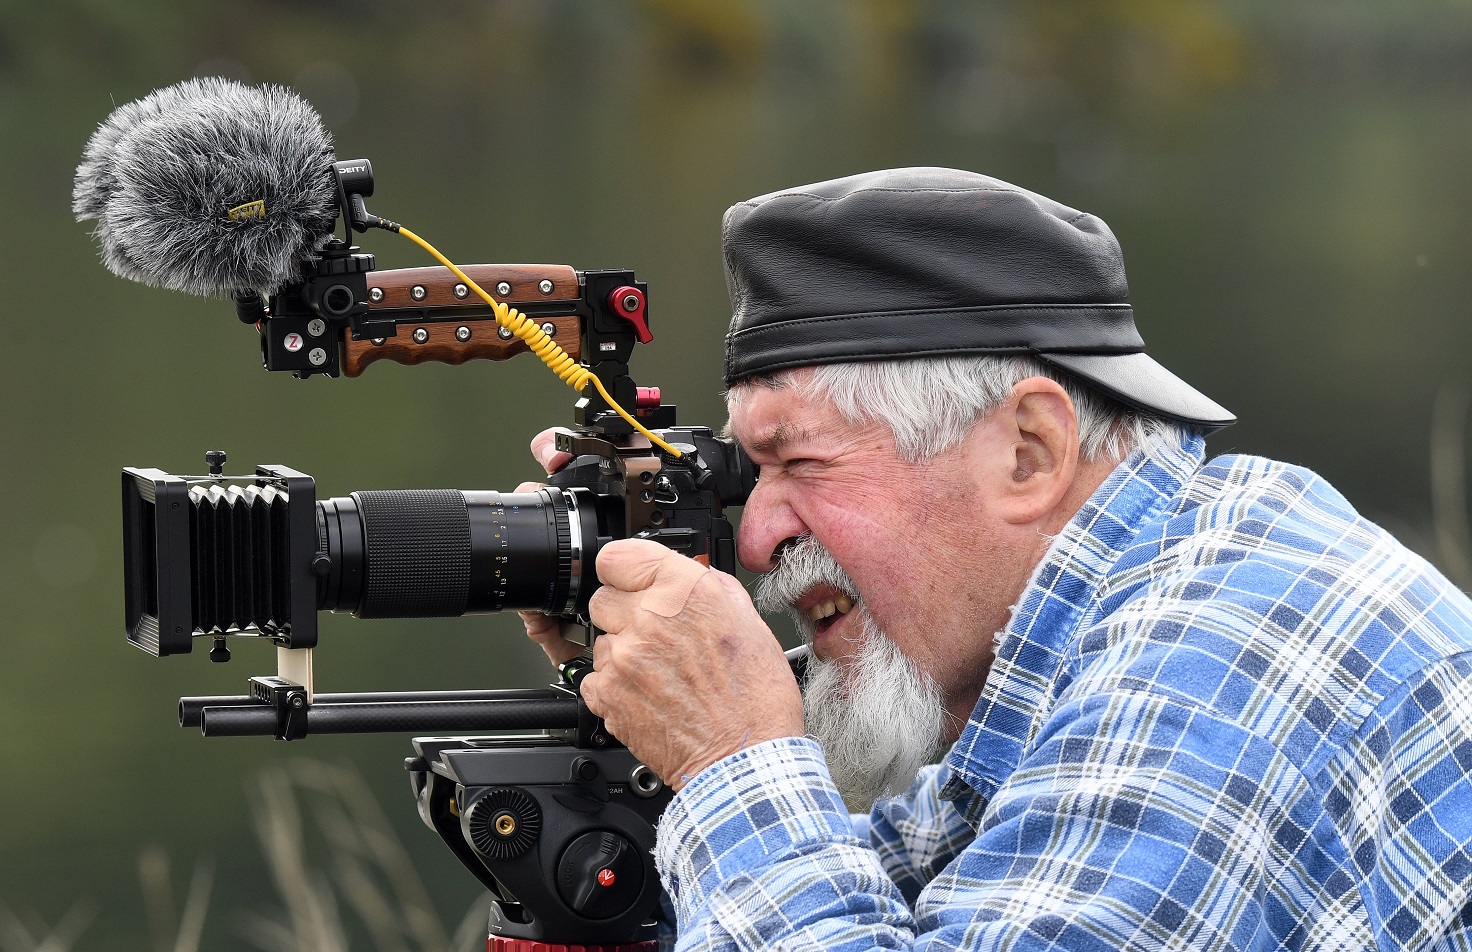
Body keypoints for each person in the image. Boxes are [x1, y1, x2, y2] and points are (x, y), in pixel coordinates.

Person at [519, 168, 1472, 950]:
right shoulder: (1133, 611)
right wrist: (639, 713)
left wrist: (732, 759)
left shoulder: (1219, 663)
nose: (757, 537)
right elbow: (890, 897)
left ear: (1029, 452)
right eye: (747, 470)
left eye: (801, 461)